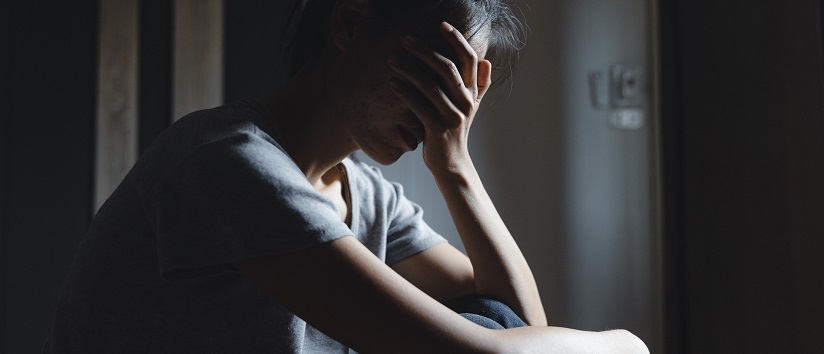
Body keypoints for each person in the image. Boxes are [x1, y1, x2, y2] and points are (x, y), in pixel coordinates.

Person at [45, 0, 649, 352]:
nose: (446, 109)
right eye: (432, 75)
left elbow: (516, 321)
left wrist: (456, 165)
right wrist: (622, 345)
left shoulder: (367, 195)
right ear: (349, 28)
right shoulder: (224, 160)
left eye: (464, 88)